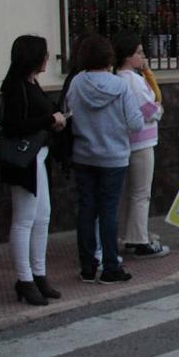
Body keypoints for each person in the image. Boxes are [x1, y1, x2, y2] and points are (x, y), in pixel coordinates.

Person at [66, 33, 143, 285]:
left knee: (86, 209)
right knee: (108, 211)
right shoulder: (120, 86)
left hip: (84, 155)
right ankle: (111, 267)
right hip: (114, 156)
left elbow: (69, 112)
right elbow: (135, 123)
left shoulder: (77, 82)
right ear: (109, 58)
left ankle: (88, 266)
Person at [0, 35, 67, 305]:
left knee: (42, 218)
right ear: (32, 57)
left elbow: (44, 112)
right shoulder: (15, 87)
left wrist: (55, 120)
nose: (47, 59)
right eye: (44, 54)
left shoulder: (32, 83)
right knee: (25, 219)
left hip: (39, 156)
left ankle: (38, 274)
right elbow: (13, 126)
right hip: (23, 161)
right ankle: (24, 278)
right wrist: (49, 119)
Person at [112, 33, 168, 259]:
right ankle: (138, 239)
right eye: (139, 52)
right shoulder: (132, 80)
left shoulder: (119, 77)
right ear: (128, 56)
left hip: (127, 142)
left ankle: (128, 233)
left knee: (129, 193)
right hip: (141, 141)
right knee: (141, 192)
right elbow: (150, 107)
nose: (142, 57)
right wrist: (159, 111)